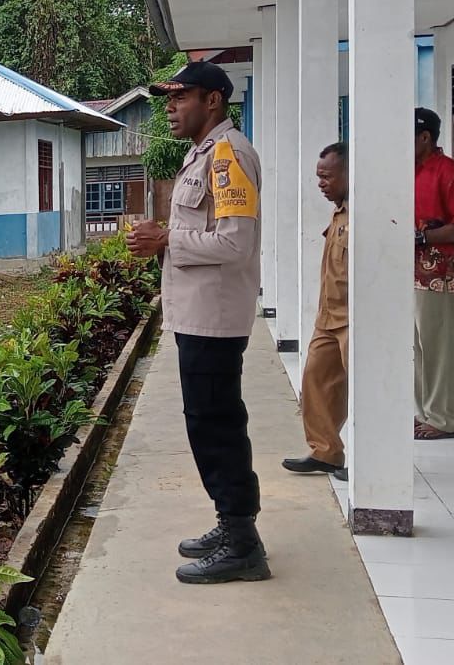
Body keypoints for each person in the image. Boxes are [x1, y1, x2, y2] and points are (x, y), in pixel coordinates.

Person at [125, 61, 266, 584]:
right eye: (168, 99)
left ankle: (242, 540)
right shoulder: (201, 155)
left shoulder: (228, 156)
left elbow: (235, 243)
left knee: (216, 425)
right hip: (198, 314)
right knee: (208, 422)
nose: (169, 107)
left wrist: (167, 240)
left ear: (212, 101)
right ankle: (231, 523)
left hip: (215, 317)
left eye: (179, 97)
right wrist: (162, 238)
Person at [283, 143, 352, 481]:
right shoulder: (340, 210)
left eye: (327, 176)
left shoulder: (363, 212)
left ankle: (371, 460)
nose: (321, 183)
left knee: (365, 387)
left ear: (349, 173)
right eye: (318, 177)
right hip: (329, 315)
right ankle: (326, 451)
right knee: (315, 379)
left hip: (355, 317)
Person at [411, 108, 454, 440]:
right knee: (416, 346)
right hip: (405, 269)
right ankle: (421, 410)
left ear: (425, 137)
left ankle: (443, 418)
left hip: (438, 270)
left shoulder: (449, 172)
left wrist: (425, 237)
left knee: (438, 346)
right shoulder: (407, 171)